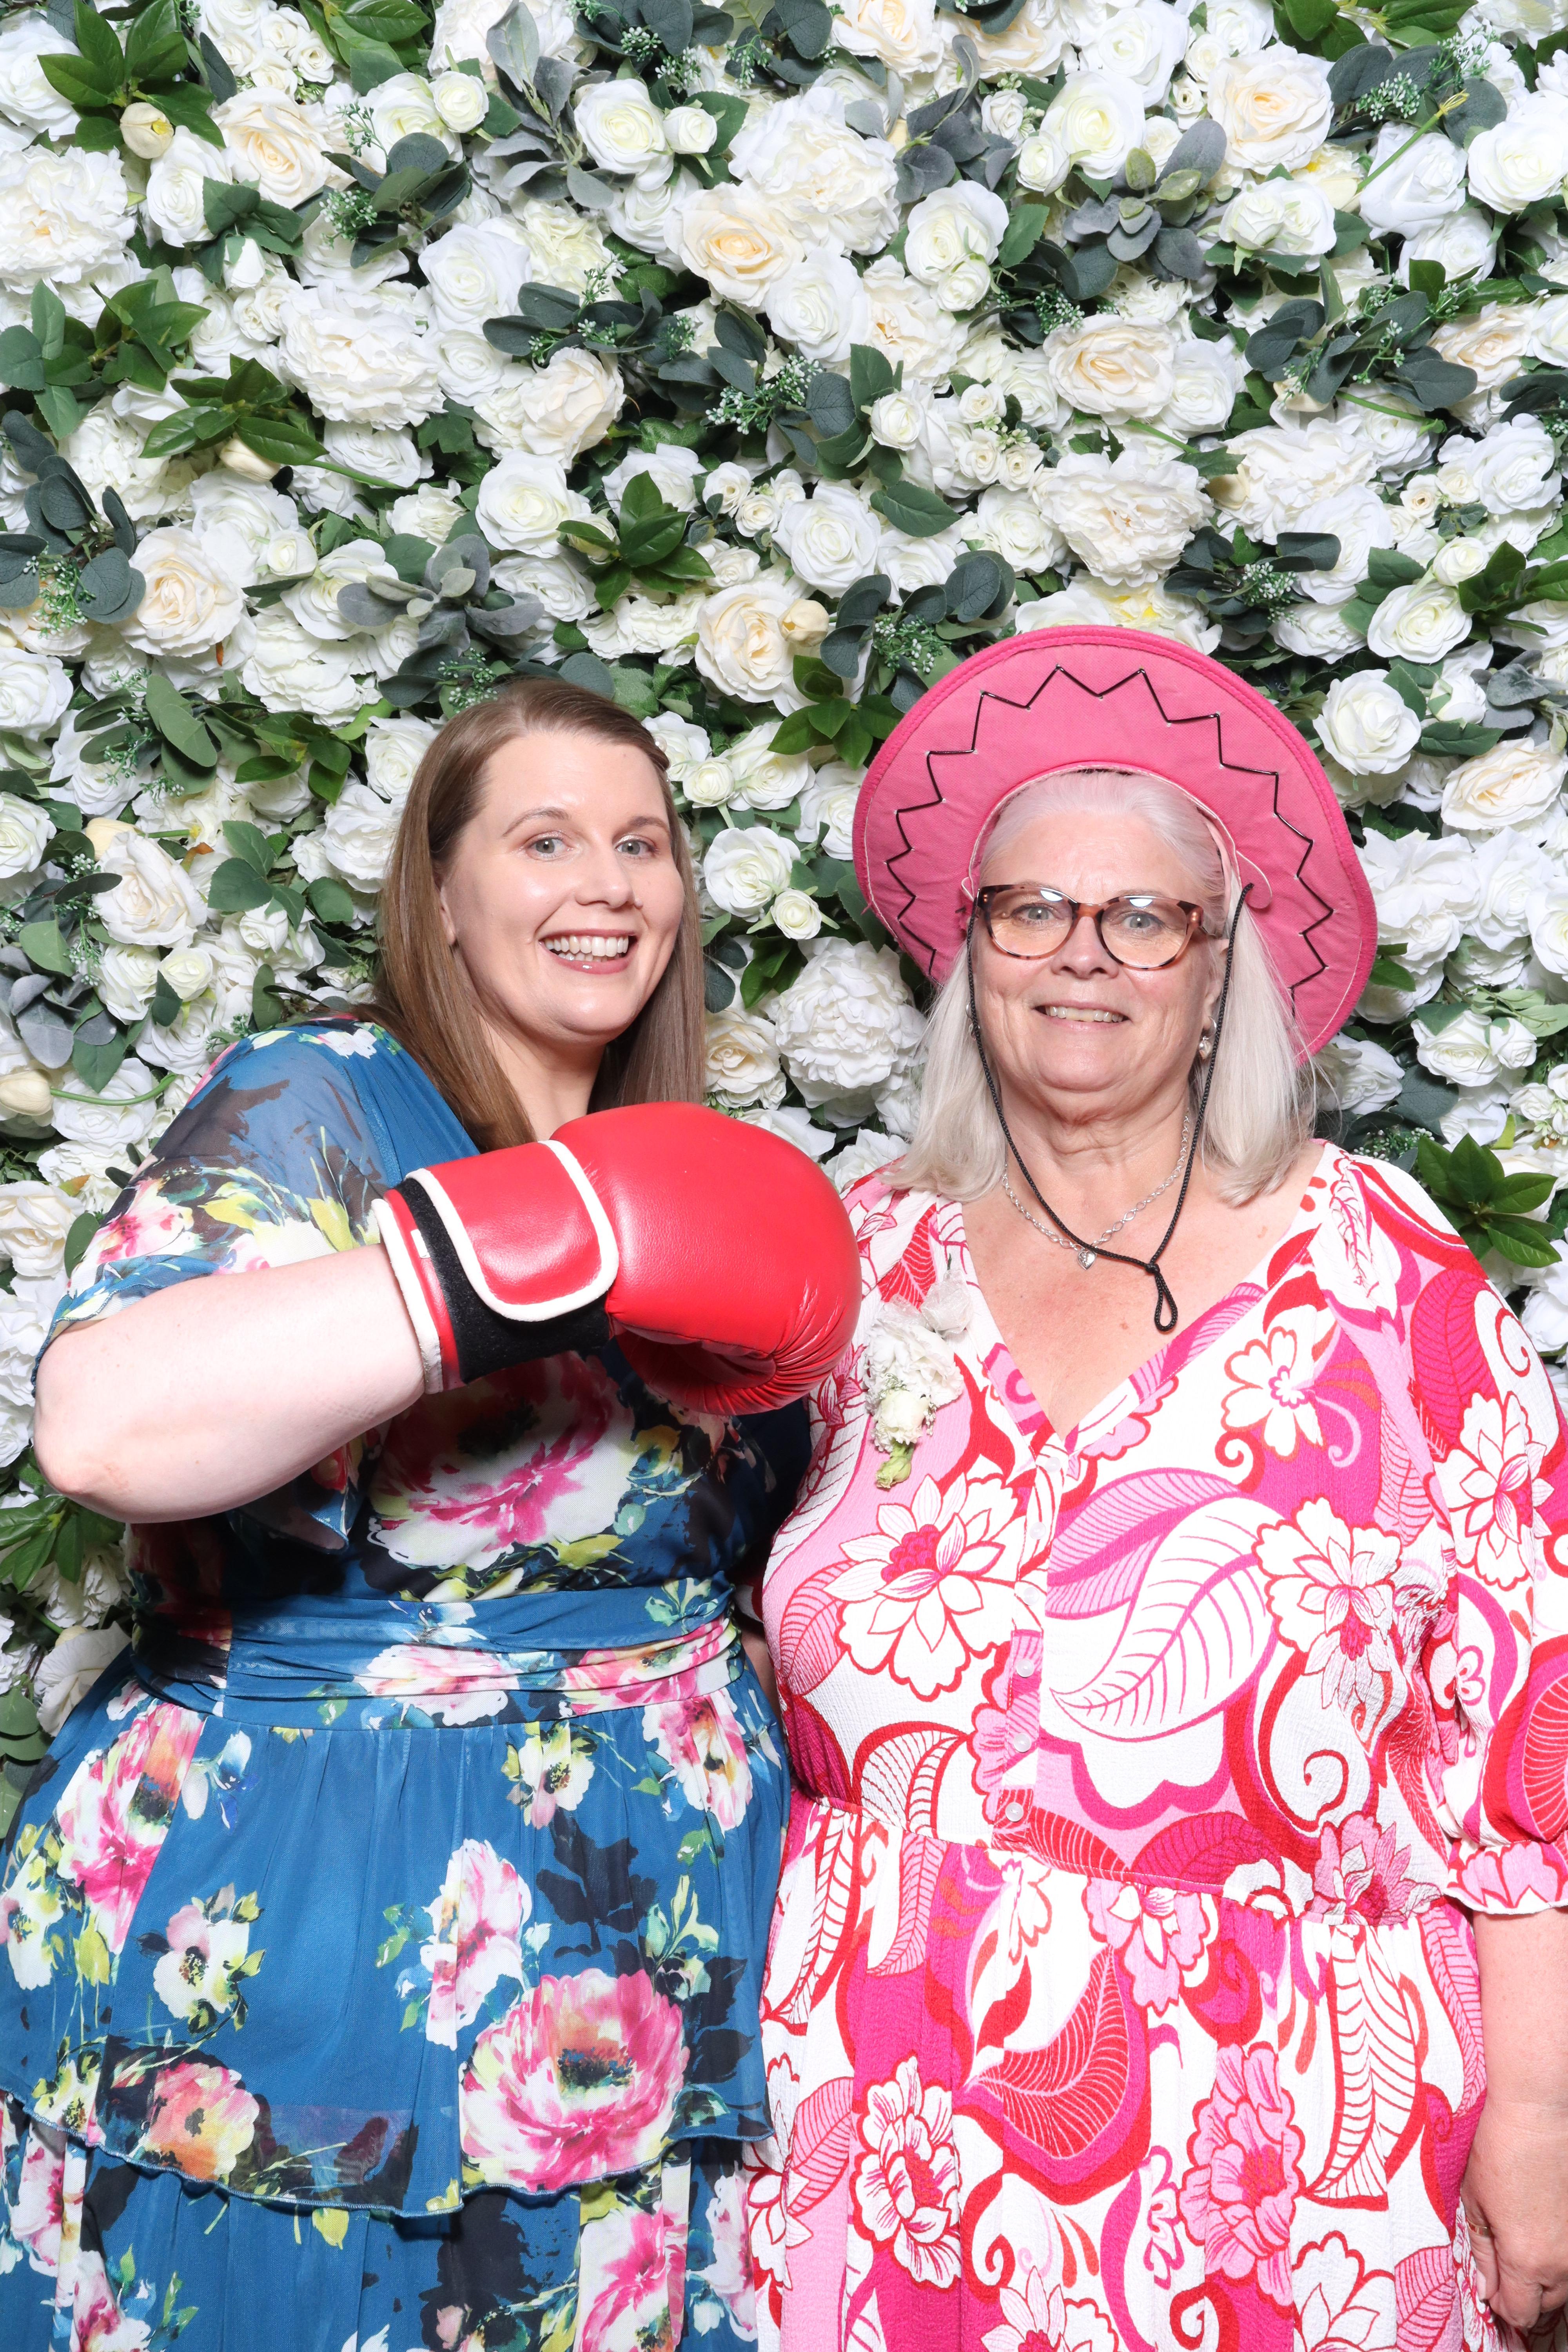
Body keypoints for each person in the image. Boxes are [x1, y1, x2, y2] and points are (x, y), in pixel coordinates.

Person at [0, 677, 859, 2352]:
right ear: (443, 900)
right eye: (545, 840)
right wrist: (526, 1242)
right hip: (330, 1905)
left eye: (643, 843)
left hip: (660, 1913)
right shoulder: (321, 1099)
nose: (606, 883)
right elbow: (103, 1433)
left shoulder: (698, 1155)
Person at [746, 626, 1568, 2352]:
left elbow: (1526, 1744)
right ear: (969, 952)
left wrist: (1541, 2124)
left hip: (1280, 2147)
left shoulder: (1382, 1271)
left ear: (1220, 968)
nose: (1080, 957)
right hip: (866, 2117)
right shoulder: (855, 1265)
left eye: (1145, 918)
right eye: (1029, 909)